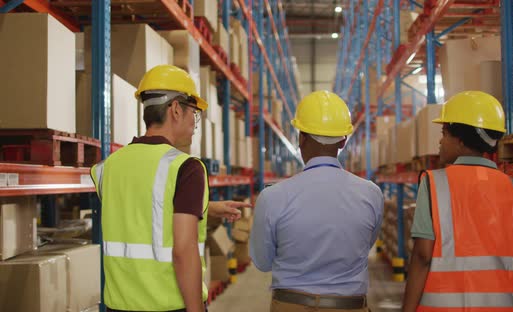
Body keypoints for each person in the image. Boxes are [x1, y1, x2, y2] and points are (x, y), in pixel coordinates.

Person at [91, 65, 249, 312]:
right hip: (168, 305)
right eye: (194, 114)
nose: (195, 124)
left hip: (117, 305)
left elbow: (140, 210)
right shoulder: (186, 167)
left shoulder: (107, 167)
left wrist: (207, 208)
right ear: (176, 109)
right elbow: (183, 250)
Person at [250, 90, 384, 312]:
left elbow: (262, 261)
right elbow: (365, 244)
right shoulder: (371, 194)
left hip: (291, 305)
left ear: (300, 138)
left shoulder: (272, 197)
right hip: (349, 306)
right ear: (343, 141)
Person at [402, 91, 513, 311]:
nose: (440, 141)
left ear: (461, 141)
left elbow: (423, 255)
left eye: (444, 133)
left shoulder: (436, 183)